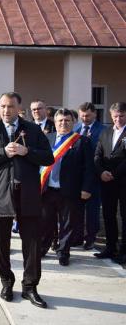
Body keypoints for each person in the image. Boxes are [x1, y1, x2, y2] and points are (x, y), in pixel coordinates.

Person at [0, 92, 54, 308]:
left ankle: (30, 287)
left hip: (27, 193)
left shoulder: (33, 130)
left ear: (19, 108)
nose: (6, 110)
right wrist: (3, 153)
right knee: (1, 243)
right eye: (2, 106)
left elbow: (48, 157)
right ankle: (7, 282)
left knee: (32, 244)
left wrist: (27, 151)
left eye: (10, 106)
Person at [40, 108, 94, 266]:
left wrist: (86, 188)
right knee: (45, 221)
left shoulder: (82, 141)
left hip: (70, 190)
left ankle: (63, 252)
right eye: (60, 121)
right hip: (48, 189)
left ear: (73, 122)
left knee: (67, 224)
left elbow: (89, 168)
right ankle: (42, 247)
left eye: (67, 120)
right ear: (55, 122)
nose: (63, 123)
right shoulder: (47, 139)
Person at [93, 102, 126, 264]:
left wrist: (113, 173)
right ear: (111, 116)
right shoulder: (105, 132)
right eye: (115, 116)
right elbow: (98, 155)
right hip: (106, 182)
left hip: (123, 181)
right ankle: (110, 247)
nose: (118, 119)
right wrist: (101, 172)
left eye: (121, 116)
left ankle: (124, 251)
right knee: (108, 215)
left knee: (125, 217)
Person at [74, 102, 106, 249]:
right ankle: (78, 236)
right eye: (82, 116)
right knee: (77, 209)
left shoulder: (103, 130)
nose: (84, 119)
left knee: (92, 209)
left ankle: (91, 237)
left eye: (87, 115)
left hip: (94, 176)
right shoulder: (76, 129)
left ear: (94, 114)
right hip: (77, 177)